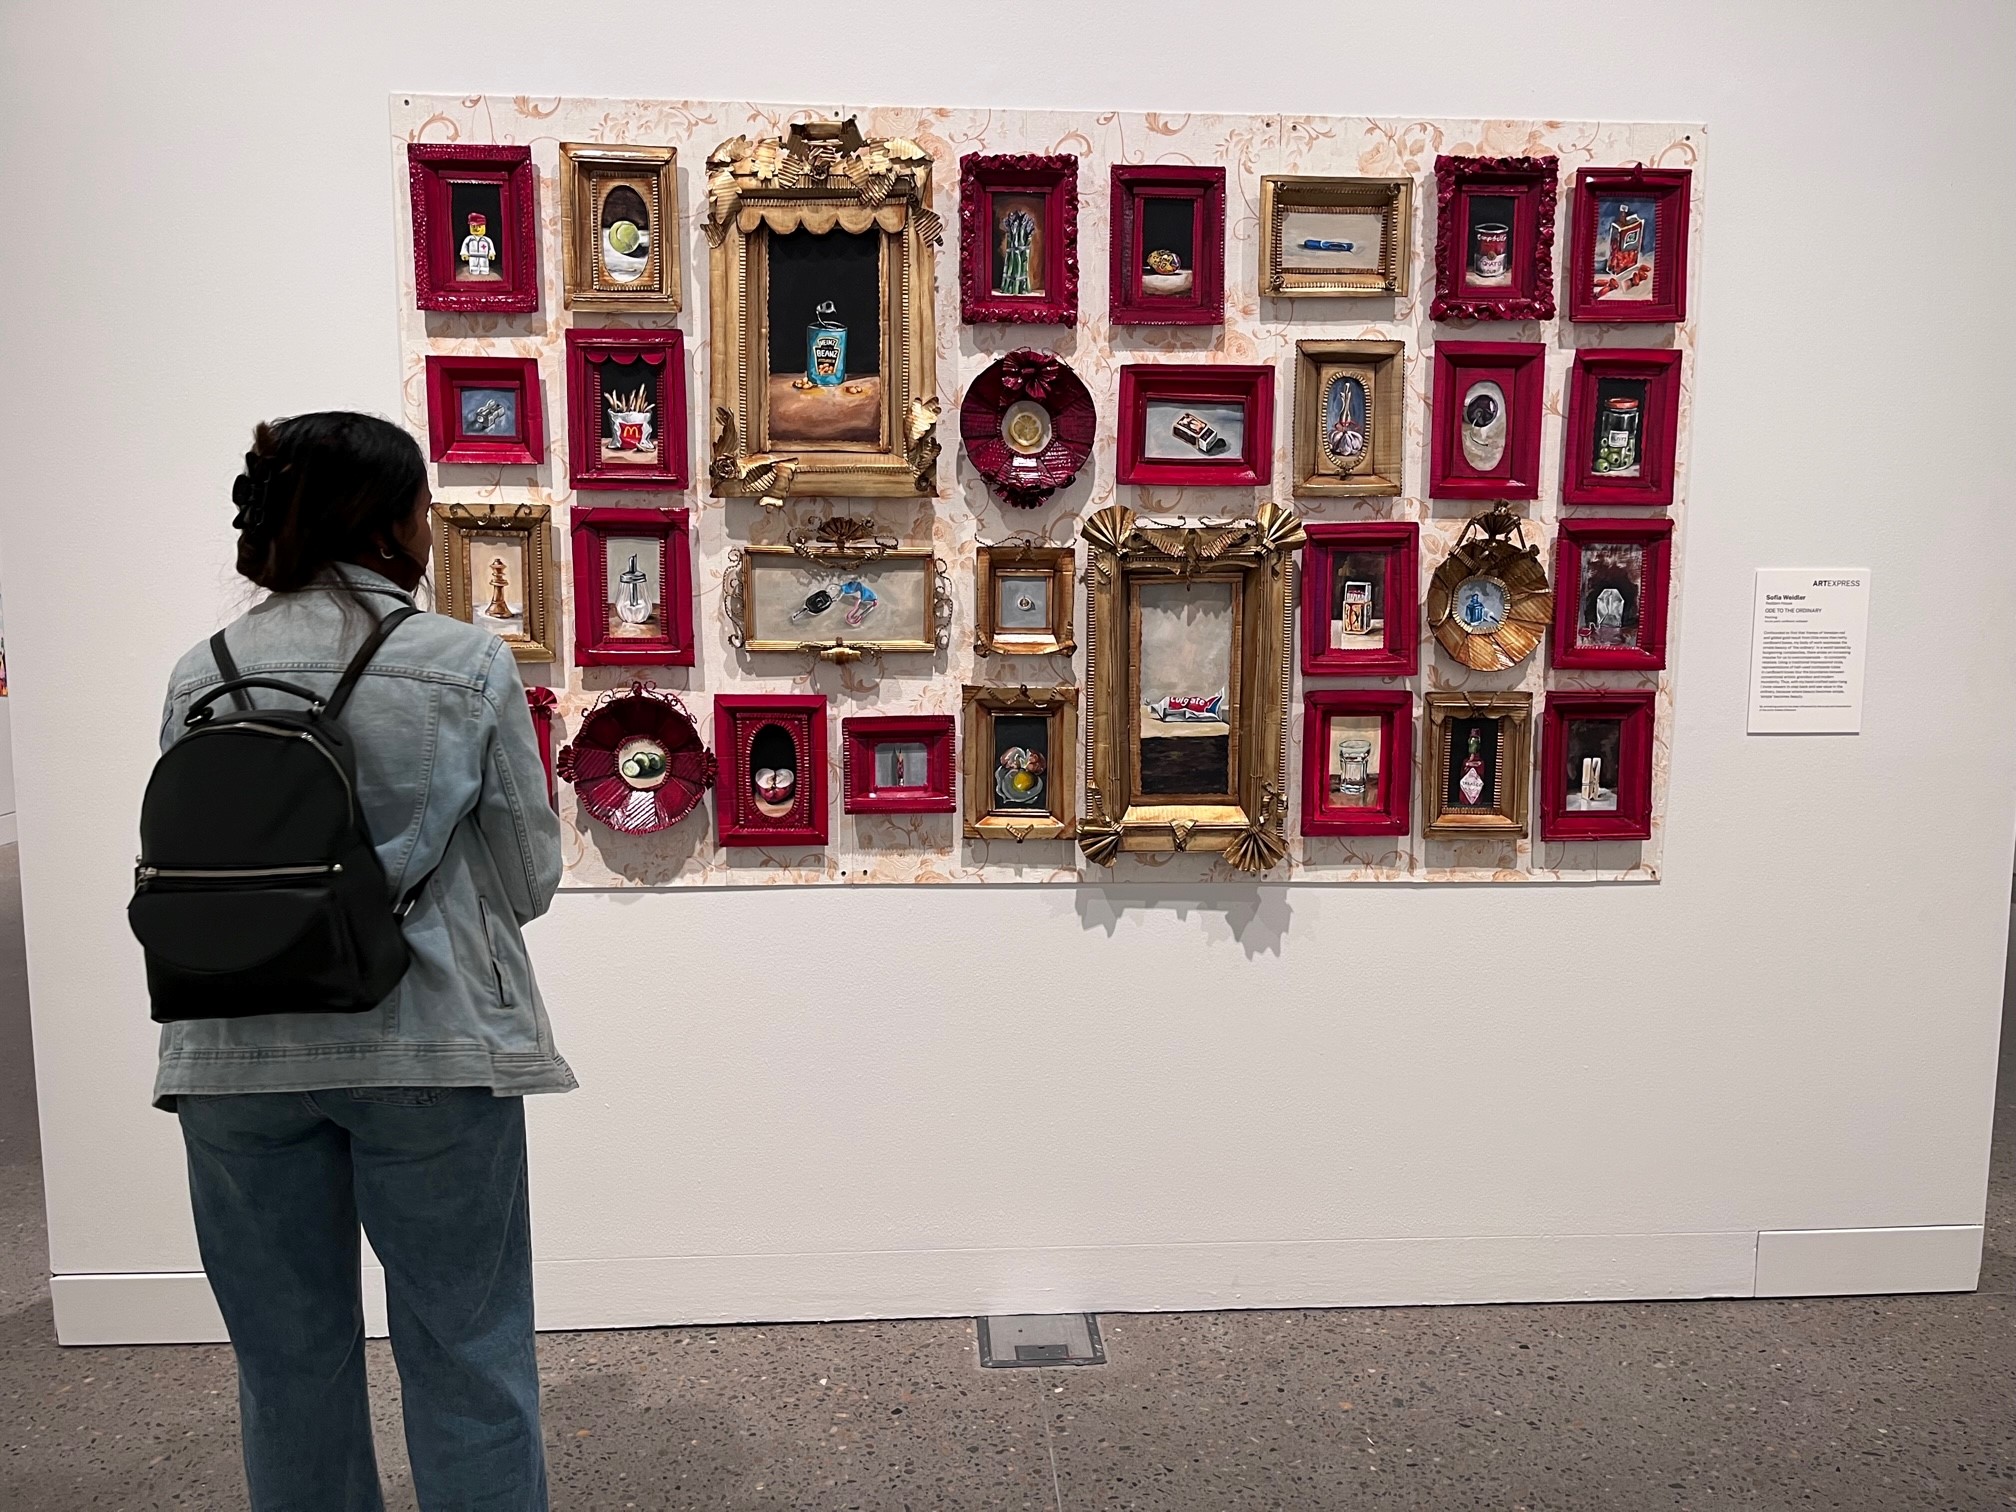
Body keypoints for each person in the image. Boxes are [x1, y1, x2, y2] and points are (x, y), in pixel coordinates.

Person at [154, 412, 572, 1512]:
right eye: (425, 508)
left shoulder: (205, 668)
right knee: (468, 1354)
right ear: (391, 521)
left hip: (230, 1057)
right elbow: (530, 877)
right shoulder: (464, 661)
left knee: (288, 1369)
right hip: (426, 1045)